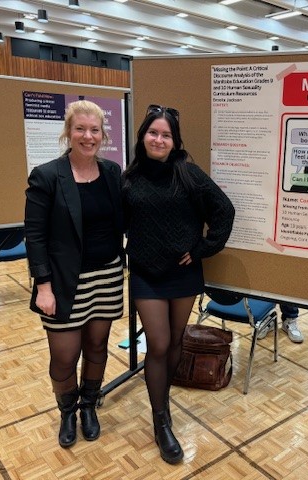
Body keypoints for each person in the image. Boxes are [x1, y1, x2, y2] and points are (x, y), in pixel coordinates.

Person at [121, 104, 235, 464]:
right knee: (158, 342)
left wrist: (203, 248)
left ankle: (161, 399)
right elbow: (119, 221)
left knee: (174, 343)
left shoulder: (187, 172)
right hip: (145, 273)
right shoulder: (129, 178)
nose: (159, 139)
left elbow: (224, 210)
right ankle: (161, 420)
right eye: (153, 133)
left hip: (183, 274)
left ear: (174, 140)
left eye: (165, 134)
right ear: (142, 137)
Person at [25, 100, 125, 448]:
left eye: (94, 130)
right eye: (80, 129)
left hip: (107, 277)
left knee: (97, 346)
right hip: (65, 283)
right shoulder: (48, 175)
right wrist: (43, 286)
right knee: (64, 356)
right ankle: (66, 411)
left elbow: (125, 219)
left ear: (103, 134)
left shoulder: (112, 173)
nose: (88, 136)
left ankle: (88, 406)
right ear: (69, 132)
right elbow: (35, 235)